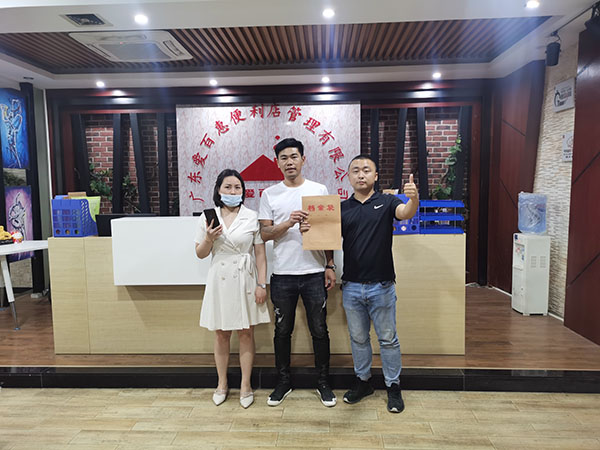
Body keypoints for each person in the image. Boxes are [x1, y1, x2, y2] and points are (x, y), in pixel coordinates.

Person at [301, 154, 418, 413]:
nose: (361, 174)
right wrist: (308, 229)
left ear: (375, 176)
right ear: (349, 177)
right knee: (358, 339)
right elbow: (326, 238)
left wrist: (414, 199)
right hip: (352, 286)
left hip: (382, 285)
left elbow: (405, 212)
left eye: (366, 170)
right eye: (355, 170)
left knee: (388, 339)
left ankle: (393, 386)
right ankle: (363, 382)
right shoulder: (341, 208)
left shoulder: (387, 202)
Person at [258, 137, 337, 407]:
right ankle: (283, 382)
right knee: (282, 331)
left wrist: (329, 265)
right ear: (277, 163)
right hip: (283, 274)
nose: (289, 162)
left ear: (303, 159)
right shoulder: (269, 194)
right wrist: (288, 222)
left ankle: (323, 382)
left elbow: (328, 231)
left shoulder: (318, 189)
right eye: (284, 158)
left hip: (314, 271)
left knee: (320, 330)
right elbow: (265, 234)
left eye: (294, 156)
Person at [194, 169, 270, 409]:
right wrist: (208, 238)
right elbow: (200, 254)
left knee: (246, 332)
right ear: (218, 190)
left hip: (245, 278)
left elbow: (260, 255)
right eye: (228, 187)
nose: (233, 191)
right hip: (220, 278)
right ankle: (222, 383)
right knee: (221, 333)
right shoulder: (208, 217)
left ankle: (246, 385)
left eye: (237, 187)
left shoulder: (251, 216)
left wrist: (262, 284)